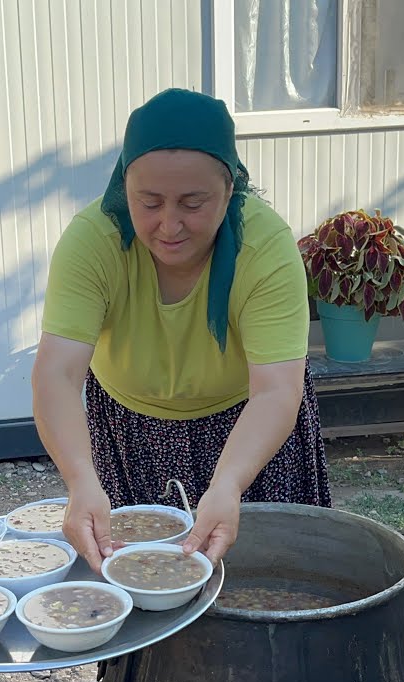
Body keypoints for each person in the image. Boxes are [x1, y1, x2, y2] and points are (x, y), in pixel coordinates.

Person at [33, 88, 331, 573]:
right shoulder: (94, 240)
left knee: (264, 581)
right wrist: (80, 478)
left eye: (193, 203)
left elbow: (277, 390)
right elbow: (57, 376)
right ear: (122, 187)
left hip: (249, 430)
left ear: (230, 189)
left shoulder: (265, 246)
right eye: (148, 202)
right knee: (144, 587)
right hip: (131, 433)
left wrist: (229, 483)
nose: (169, 225)